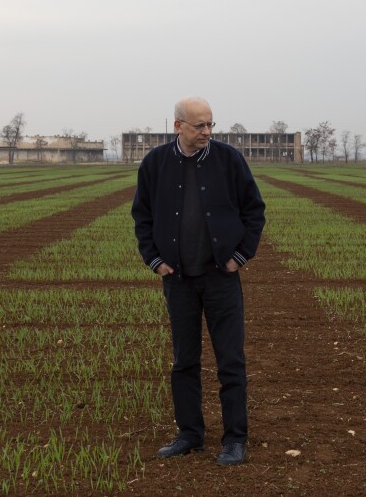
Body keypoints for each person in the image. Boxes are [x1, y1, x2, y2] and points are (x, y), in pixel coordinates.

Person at [131, 96, 266, 466]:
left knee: (231, 362)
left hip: (221, 278)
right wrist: (155, 261)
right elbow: (142, 217)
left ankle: (235, 439)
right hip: (178, 281)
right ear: (178, 126)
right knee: (184, 362)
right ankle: (190, 434)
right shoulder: (155, 164)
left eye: (210, 124)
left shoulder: (228, 160)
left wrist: (239, 257)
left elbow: (254, 211)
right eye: (199, 125)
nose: (207, 132)